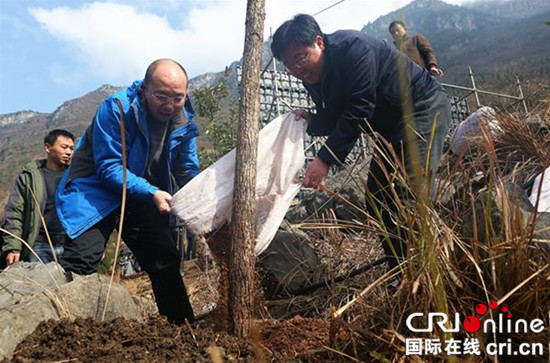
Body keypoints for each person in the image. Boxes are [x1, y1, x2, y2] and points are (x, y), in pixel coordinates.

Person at [271, 14, 451, 268]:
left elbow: (359, 107)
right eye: (289, 65)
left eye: (300, 58)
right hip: (391, 129)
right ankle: (400, 271)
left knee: (408, 195)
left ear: (319, 42)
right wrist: (311, 120)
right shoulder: (315, 77)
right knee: (378, 196)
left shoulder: (353, 49)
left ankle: (426, 274)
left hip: (422, 109)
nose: (296, 70)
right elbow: (335, 116)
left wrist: (324, 160)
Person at [56, 59, 200, 324]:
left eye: (178, 97)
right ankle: (66, 328)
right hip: (95, 192)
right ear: (145, 89)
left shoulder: (184, 120)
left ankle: (184, 330)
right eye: (161, 96)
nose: (169, 105)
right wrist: (151, 192)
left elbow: (186, 168)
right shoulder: (117, 108)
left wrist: (205, 196)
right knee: (81, 260)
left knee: (164, 259)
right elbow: (109, 166)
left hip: (142, 195)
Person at [1, 129, 75, 266]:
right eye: (64, 147)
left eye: (71, 148)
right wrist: (13, 247)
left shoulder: (75, 177)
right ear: (48, 147)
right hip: (39, 244)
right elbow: (15, 212)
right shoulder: (30, 176)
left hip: (69, 244)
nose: (69, 152)